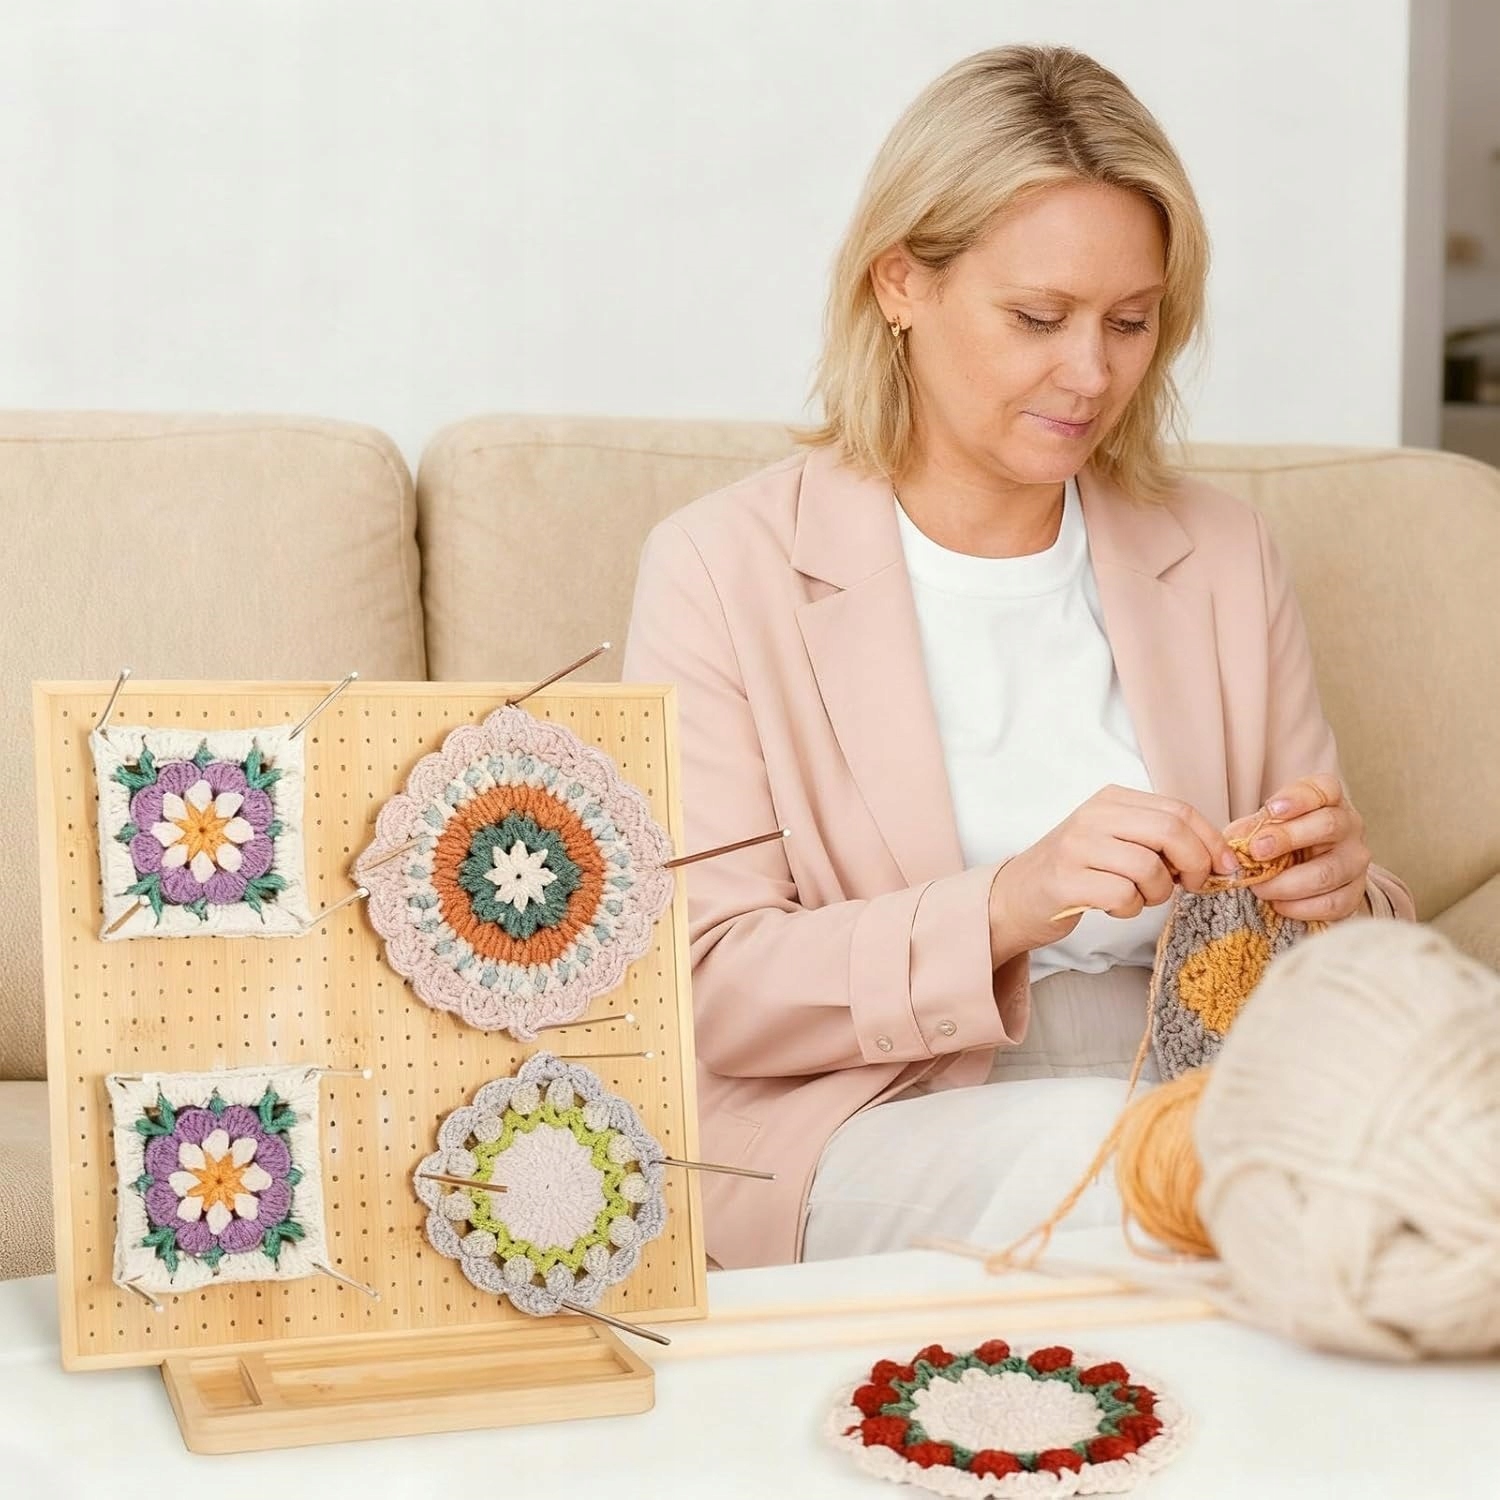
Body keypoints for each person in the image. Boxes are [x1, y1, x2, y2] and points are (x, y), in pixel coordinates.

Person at [620, 44, 1415, 1271]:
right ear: (901, 282)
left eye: (1131, 322)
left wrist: (1341, 891)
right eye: (1038, 318)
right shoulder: (724, 566)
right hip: (872, 1108)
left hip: (1206, 1082)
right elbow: (706, 983)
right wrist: (1009, 902)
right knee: (1136, 1164)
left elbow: (1339, 941)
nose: (1091, 374)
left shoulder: (1221, 554)